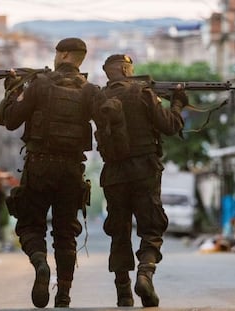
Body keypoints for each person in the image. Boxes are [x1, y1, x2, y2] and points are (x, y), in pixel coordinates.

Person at [0, 37, 103, 308]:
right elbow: (107, 124)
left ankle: (41, 263)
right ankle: (63, 293)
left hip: (40, 165)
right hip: (71, 170)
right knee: (66, 233)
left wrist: (12, 90)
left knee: (30, 224)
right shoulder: (90, 90)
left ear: (64, 54)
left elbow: (9, 121)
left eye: (57, 53)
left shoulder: (40, 86)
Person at [94, 54, 188, 307]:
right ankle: (145, 273)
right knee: (151, 226)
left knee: (119, 231)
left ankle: (123, 291)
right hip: (144, 170)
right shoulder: (143, 92)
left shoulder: (99, 98)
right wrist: (177, 103)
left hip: (113, 174)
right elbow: (170, 126)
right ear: (126, 69)